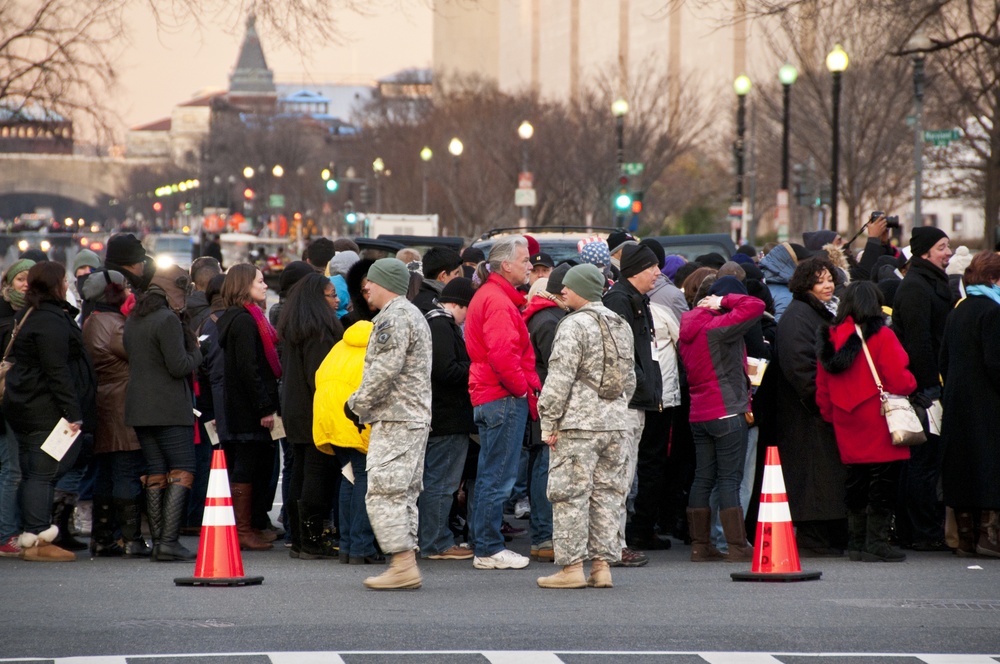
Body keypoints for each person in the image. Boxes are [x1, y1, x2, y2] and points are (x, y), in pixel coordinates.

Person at [535, 264, 636, 589]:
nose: (562, 291)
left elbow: (559, 380)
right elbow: (630, 379)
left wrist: (548, 421)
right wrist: (615, 409)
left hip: (577, 425)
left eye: (568, 286)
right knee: (607, 495)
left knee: (570, 496)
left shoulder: (573, 325)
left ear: (583, 290)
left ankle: (571, 568)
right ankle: (602, 567)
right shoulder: (620, 323)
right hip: (615, 425)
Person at [345, 258, 432, 590]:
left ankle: (402, 566)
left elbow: (384, 370)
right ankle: (404, 562)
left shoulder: (393, 318)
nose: (365, 288)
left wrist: (355, 405)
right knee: (403, 492)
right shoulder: (411, 314)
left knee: (384, 491)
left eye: (370, 282)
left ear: (385, 284)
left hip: (396, 417)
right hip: (410, 417)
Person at [816, 281, 916, 563]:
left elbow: (822, 386)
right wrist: (912, 383)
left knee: (856, 481)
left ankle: (857, 543)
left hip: (845, 418)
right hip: (879, 418)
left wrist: (831, 415)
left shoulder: (830, 337)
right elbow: (900, 379)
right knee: (883, 482)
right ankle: (876, 543)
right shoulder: (882, 335)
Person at [3, 262, 96, 562]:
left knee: (34, 471)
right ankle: (38, 536)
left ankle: (33, 534)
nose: (68, 285)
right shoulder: (50, 320)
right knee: (43, 472)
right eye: (64, 280)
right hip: (45, 407)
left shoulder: (31, 314)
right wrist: (73, 411)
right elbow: (57, 370)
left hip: (26, 403)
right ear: (55, 284)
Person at [464, 236, 540, 570]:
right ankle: (489, 547)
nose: (530, 266)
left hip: (491, 393)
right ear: (505, 265)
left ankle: (485, 545)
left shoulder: (490, 295)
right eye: (525, 260)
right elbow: (502, 353)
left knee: (490, 476)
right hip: (502, 395)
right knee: (498, 478)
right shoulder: (497, 300)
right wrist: (521, 389)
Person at [678, 276, 764, 562]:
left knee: (703, 478)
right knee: (729, 479)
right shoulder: (717, 326)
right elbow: (755, 305)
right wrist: (724, 301)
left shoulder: (688, 327)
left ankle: (700, 546)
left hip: (699, 413)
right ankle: (737, 546)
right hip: (726, 410)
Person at [124, 265, 202, 562]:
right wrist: (198, 350)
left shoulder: (135, 318)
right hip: (168, 406)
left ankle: (159, 541)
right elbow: (179, 366)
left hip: (139, 407)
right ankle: (168, 541)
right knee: (182, 469)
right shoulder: (167, 319)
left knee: (155, 472)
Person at [772, 256, 846, 556]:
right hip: (805, 412)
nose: (827, 285)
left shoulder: (819, 312)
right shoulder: (799, 316)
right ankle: (814, 536)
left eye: (830, 278)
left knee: (823, 476)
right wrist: (819, 402)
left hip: (819, 408)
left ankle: (825, 534)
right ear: (806, 284)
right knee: (813, 476)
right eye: (820, 280)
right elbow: (799, 366)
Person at [891, 226, 954, 552]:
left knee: (924, 462)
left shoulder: (929, 282)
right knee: (922, 463)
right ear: (926, 252)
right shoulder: (916, 287)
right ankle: (921, 531)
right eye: (943, 247)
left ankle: (923, 529)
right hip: (925, 390)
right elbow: (919, 343)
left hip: (930, 386)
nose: (949, 252)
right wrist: (930, 387)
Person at [81, 270, 151, 558]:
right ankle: (131, 538)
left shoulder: (92, 320)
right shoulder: (114, 325)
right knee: (125, 469)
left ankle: (103, 536)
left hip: (104, 403)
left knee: (107, 473)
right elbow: (140, 353)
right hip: (121, 404)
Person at [602, 243, 663, 567]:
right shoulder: (619, 300)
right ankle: (613, 546)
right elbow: (619, 356)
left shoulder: (639, 300)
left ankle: (616, 542)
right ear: (637, 269)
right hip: (624, 404)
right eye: (653, 267)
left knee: (625, 478)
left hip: (637, 402)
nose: (658, 272)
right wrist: (640, 383)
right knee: (618, 478)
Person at [276, 273, 344, 559]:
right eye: (331, 295)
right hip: (314, 409)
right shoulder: (319, 331)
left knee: (300, 471)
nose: (337, 299)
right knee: (317, 472)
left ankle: (300, 539)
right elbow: (321, 377)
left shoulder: (296, 326)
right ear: (318, 299)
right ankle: (312, 539)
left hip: (295, 407)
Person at [939, 251, 1000, 557]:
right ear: (993, 279)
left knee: (962, 466)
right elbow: (996, 362)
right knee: (989, 465)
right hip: (987, 402)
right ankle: (988, 537)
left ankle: (965, 536)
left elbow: (944, 359)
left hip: (956, 399)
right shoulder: (993, 312)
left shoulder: (957, 311)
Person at [217, 264, 281, 551]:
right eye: (260, 280)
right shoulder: (243, 321)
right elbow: (249, 368)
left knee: (254, 465)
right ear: (244, 285)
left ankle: (251, 524)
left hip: (245, 405)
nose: (265, 285)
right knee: (245, 465)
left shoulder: (246, 317)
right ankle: (243, 529)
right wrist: (264, 406)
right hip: (247, 408)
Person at [418, 277, 477, 561]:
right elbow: (445, 370)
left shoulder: (434, 322)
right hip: (447, 416)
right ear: (457, 304)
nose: (468, 316)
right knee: (442, 483)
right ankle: (437, 543)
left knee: (437, 482)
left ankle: (433, 538)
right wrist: (476, 367)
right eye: (468, 308)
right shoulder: (441, 325)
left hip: (442, 416)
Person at [314, 319, 381, 565]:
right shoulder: (374, 349)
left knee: (348, 477)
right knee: (364, 478)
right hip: (356, 420)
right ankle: (361, 547)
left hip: (330, 418)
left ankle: (348, 546)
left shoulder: (338, 347)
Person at [521, 264, 572, 563]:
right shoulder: (551, 320)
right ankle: (543, 536)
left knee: (541, 467)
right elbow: (558, 367)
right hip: (548, 402)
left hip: (541, 400)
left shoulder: (544, 314)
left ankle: (543, 535)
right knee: (544, 469)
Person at [0, 258, 34, 556]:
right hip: (8, 402)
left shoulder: (28, 315)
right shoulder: (13, 319)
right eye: (21, 279)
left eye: (30, 280)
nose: (25, 285)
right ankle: (6, 534)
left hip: (14, 401)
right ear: (8, 283)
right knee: (12, 470)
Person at [759, 242, 811, 321]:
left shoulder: (765, 283)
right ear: (793, 264)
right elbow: (780, 328)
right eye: (804, 264)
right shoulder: (786, 297)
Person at [412, 247, 463, 314]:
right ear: (443, 276)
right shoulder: (436, 307)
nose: (458, 277)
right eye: (456, 273)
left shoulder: (420, 299)